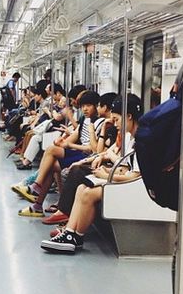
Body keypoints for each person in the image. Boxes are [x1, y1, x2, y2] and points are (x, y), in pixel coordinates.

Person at [40, 94, 143, 253]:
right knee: (82, 188)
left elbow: (135, 176)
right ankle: (70, 233)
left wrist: (107, 176)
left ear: (129, 116)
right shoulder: (131, 137)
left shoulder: (141, 140)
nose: (114, 124)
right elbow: (127, 165)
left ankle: (76, 236)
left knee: (88, 194)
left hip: (135, 186)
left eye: (116, 120)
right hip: (124, 178)